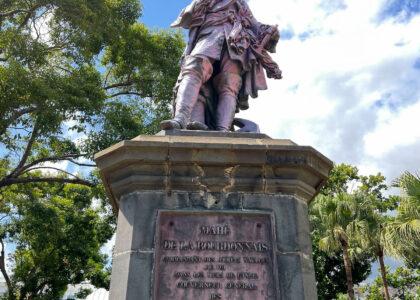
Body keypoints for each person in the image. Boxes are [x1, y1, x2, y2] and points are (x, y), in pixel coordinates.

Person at [161, 0, 282, 132]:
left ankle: (223, 130)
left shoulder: (241, 3)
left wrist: (269, 31)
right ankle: (181, 118)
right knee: (194, 68)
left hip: (237, 41)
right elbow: (188, 15)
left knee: (230, 83)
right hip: (210, 33)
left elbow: (254, 25)